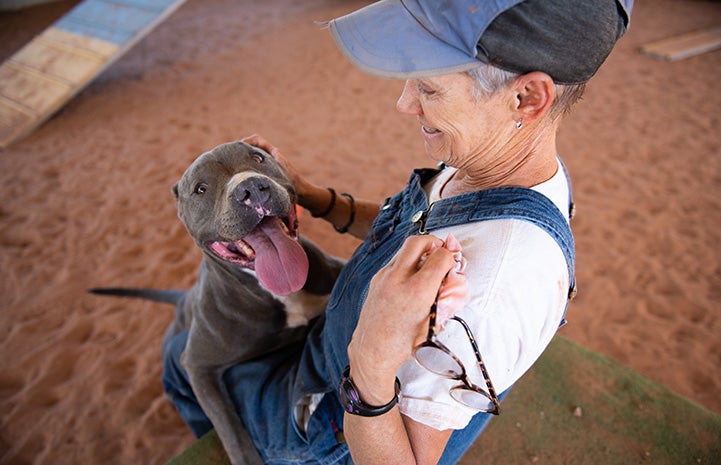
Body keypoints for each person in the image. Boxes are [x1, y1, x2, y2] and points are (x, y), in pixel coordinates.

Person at [162, 1, 633, 464]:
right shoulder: (494, 161)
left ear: (526, 98)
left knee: (178, 355)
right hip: (327, 351)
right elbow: (409, 220)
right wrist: (312, 196)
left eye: (428, 87)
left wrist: (370, 360)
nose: (404, 102)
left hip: (327, 426)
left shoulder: (488, 292)